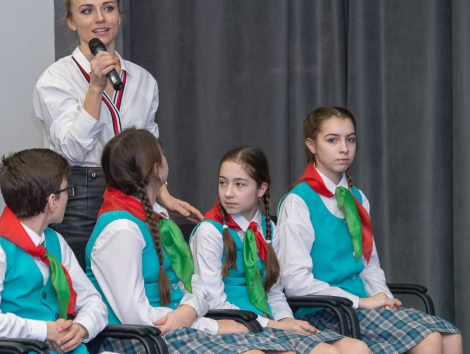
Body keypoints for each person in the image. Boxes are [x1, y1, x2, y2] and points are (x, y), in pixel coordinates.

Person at [87, 128, 329, 354]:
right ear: (156, 169)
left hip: (179, 329)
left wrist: (191, 310)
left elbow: (193, 284)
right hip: (143, 340)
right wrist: (203, 321)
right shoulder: (121, 229)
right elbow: (137, 317)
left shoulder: (153, 221)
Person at [277, 106, 462, 354]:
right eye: (332, 140)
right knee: (429, 338)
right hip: (324, 310)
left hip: (361, 308)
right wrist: (362, 302)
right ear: (311, 145)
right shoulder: (298, 202)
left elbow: (369, 266)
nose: (344, 148)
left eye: (350, 139)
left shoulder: (358, 198)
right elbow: (295, 282)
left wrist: (384, 298)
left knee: (451, 337)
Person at [33, 0, 202, 243]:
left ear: (119, 17)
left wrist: (163, 195)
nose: (100, 18)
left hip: (137, 194)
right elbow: (73, 150)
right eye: (87, 11)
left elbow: (149, 150)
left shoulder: (144, 80)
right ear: (71, 22)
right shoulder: (55, 79)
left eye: (108, 8)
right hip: (80, 200)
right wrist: (95, 87)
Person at [190, 146, 369, 354]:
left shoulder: (269, 230)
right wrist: (274, 325)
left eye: (239, 184)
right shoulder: (209, 232)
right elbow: (213, 302)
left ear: (261, 189)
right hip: (232, 327)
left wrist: (287, 321)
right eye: (223, 183)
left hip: (269, 324)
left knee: (356, 348)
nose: (228, 193)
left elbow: (274, 293)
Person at [0, 149, 110, 354]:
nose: (68, 196)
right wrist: (44, 330)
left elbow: (93, 302)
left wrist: (81, 327)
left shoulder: (55, 241)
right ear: (52, 201)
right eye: (67, 189)